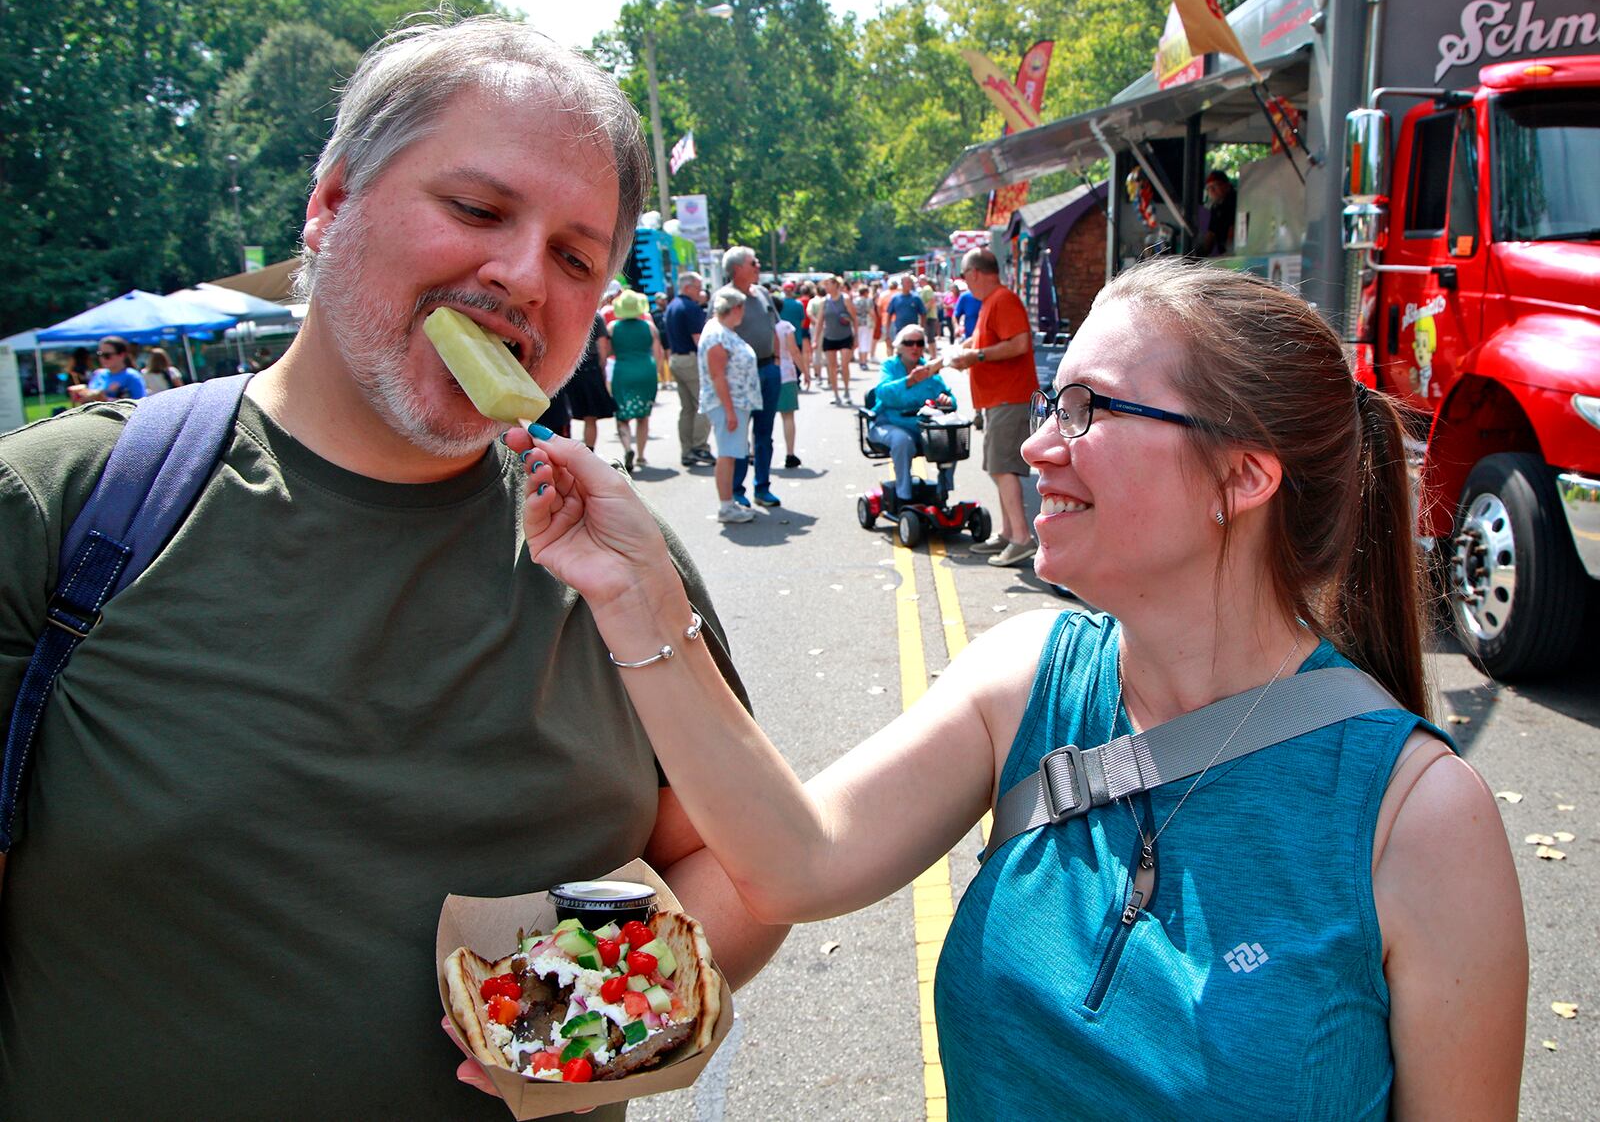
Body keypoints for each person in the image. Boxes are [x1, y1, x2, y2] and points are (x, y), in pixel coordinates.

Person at [511, 257, 1528, 1121]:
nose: (1039, 443)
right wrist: (638, 593)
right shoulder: (1026, 675)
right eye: (1050, 401)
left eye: (1086, 409)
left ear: (1240, 478)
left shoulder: (1420, 818)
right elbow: (793, 861)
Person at [0, 14, 786, 1119]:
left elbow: (745, 868)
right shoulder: (61, 508)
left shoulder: (614, 558)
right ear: (329, 205)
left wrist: (597, 1014)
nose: (521, 275)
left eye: (574, 256)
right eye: (474, 209)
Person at [947, 248, 1038, 567]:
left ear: (974, 273)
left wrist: (977, 356)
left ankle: (1021, 538)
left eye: (964, 276)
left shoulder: (1002, 299)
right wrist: (960, 353)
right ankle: (1008, 532)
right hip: (999, 398)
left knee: (1002, 467)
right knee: (998, 467)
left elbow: (1019, 344)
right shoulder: (991, 302)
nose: (964, 283)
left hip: (1009, 396)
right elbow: (976, 340)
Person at [722, 246, 782, 509]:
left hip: (768, 369)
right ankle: (736, 490)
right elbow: (716, 340)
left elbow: (775, 327)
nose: (758, 266)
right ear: (737, 269)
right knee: (739, 435)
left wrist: (777, 361)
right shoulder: (725, 298)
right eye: (753, 262)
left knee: (764, 433)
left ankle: (762, 487)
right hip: (740, 376)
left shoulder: (762, 293)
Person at [869, 324, 955, 507]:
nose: (914, 347)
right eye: (909, 343)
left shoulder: (928, 368)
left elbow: (949, 397)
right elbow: (882, 393)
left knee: (949, 438)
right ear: (899, 346)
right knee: (902, 440)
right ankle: (903, 496)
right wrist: (910, 380)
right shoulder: (890, 366)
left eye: (919, 343)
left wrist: (946, 400)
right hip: (889, 423)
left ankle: (942, 493)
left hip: (920, 427)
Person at [697, 285, 762, 524]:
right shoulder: (716, 334)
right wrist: (730, 411)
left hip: (734, 403)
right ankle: (725, 506)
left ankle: (729, 503)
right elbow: (717, 375)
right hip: (728, 403)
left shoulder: (720, 330)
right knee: (727, 454)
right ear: (735, 308)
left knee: (731, 453)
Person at [607, 289, 662, 471]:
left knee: (622, 415)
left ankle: (627, 447)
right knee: (643, 417)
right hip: (646, 371)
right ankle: (640, 455)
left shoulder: (613, 328)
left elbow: (608, 352)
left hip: (623, 371)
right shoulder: (649, 327)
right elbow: (658, 354)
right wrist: (658, 374)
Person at [664, 272, 714, 467]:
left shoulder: (672, 306)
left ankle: (687, 451)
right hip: (691, 361)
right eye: (698, 287)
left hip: (676, 359)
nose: (700, 291)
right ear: (688, 287)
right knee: (704, 404)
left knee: (687, 409)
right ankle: (700, 447)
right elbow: (698, 340)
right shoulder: (691, 308)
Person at [564, 311, 614, 449]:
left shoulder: (564, 313)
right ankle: (589, 451)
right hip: (589, 368)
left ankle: (565, 451)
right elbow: (602, 345)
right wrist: (602, 369)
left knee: (565, 416)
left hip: (566, 367)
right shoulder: (595, 316)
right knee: (590, 416)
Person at [67, 335, 146, 403]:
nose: (102, 359)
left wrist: (106, 399)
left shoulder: (131, 376)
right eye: (100, 354)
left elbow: (140, 403)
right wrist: (81, 395)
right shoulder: (99, 374)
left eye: (107, 355)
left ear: (122, 355)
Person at [817, 275, 855, 406]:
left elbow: (854, 318)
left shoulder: (845, 299)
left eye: (828, 284)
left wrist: (856, 337)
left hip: (845, 336)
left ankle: (846, 390)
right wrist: (816, 339)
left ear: (835, 285)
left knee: (844, 364)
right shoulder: (824, 301)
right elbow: (820, 321)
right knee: (831, 366)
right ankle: (836, 394)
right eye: (825, 284)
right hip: (829, 336)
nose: (826, 287)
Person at [773, 310, 803, 468]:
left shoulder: (756, 325)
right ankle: (790, 454)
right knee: (788, 416)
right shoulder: (785, 327)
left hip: (761, 373)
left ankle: (753, 454)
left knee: (761, 419)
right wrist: (805, 370)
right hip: (785, 373)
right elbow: (794, 351)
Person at [1198, 170, 1237, 257]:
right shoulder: (1216, 207)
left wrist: (1229, 253)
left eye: (1215, 186)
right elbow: (1211, 233)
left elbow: (1232, 230)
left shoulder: (1234, 201)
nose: (1211, 191)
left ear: (1226, 186)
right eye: (1208, 188)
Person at [886, 274, 925, 341]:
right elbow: (889, 314)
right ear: (902, 284)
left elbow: (923, 313)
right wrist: (887, 331)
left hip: (913, 331)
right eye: (907, 282)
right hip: (899, 330)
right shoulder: (895, 298)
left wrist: (921, 328)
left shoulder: (916, 298)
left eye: (910, 282)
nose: (909, 284)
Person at [851, 283, 875, 370]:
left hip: (856, 322)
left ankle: (860, 360)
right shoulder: (868, 301)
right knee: (865, 342)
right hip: (866, 323)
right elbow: (871, 312)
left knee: (859, 342)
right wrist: (875, 321)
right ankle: (864, 361)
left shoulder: (854, 301)